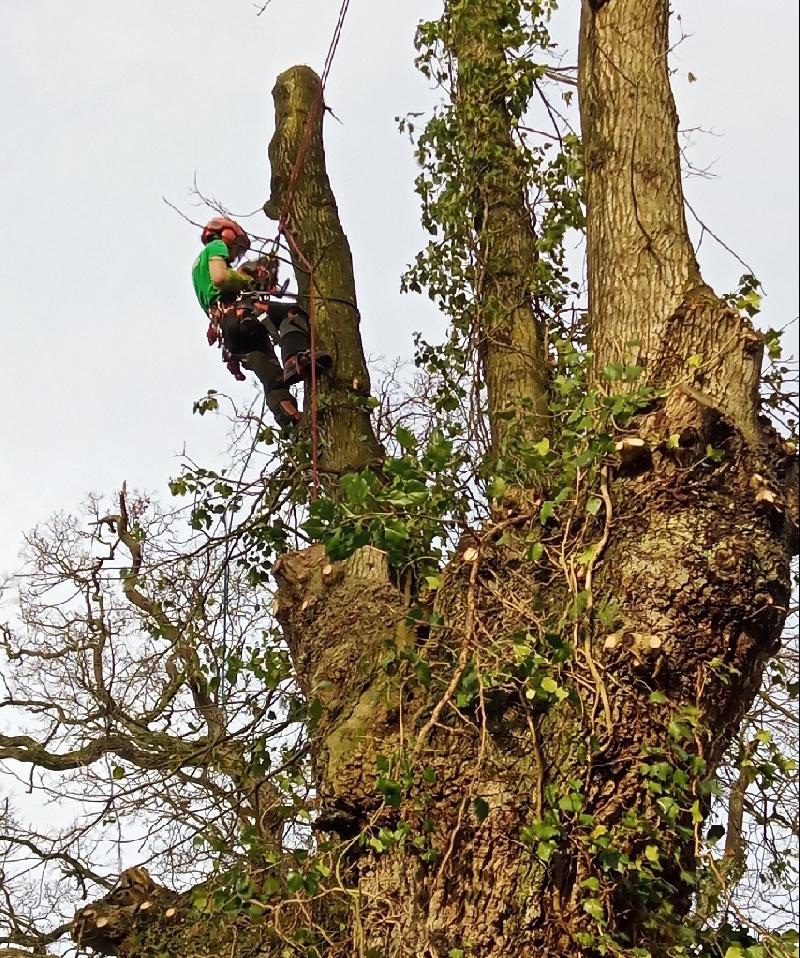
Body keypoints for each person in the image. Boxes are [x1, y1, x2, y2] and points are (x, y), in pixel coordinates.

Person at [191, 217, 330, 429]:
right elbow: (220, 278)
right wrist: (247, 279)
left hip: (232, 337)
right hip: (242, 316)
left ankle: (290, 418)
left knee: (272, 376)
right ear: (226, 234)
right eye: (236, 246)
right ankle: (295, 359)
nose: (235, 254)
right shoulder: (216, 246)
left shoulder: (197, 270)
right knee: (293, 313)